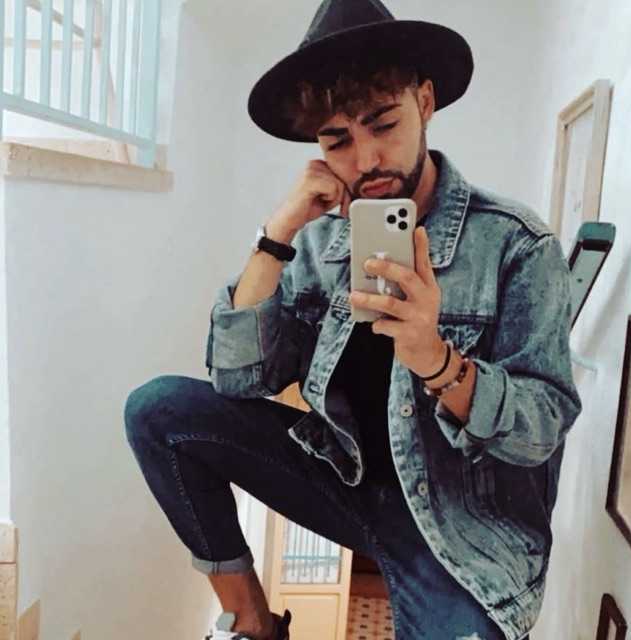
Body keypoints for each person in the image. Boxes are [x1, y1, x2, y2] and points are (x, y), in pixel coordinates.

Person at [124, 1, 583, 639]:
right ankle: (253, 622)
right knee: (158, 410)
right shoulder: (318, 243)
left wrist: (438, 362)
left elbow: (541, 429)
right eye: (337, 140)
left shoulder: (516, 244)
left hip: (462, 526)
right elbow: (238, 379)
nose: (365, 160)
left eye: (383, 124)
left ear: (425, 103)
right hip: (343, 480)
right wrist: (277, 235)